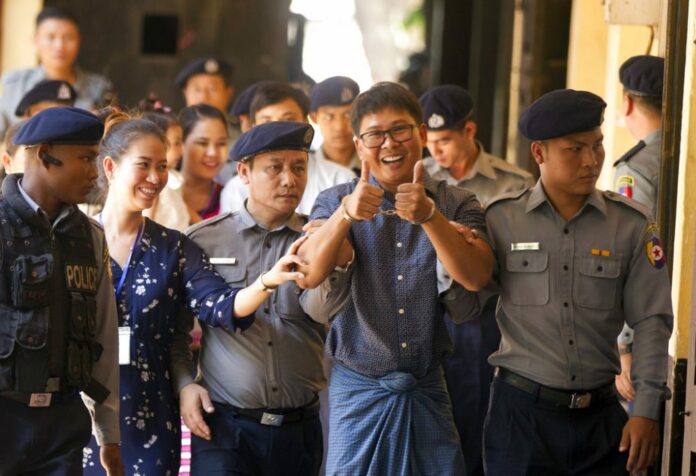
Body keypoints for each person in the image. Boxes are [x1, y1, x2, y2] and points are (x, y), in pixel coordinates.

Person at [81, 114, 309, 475]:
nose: (155, 178)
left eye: (163, 167)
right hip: (84, 409)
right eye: (144, 166)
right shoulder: (74, 240)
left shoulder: (174, 247)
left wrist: (266, 281)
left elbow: (221, 307)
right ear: (110, 167)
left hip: (151, 411)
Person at [296, 81, 494, 475]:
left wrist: (430, 217)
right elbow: (309, 274)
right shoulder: (334, 200)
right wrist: (345, 216)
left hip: (427, 384)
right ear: (358, 145)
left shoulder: (457, 202)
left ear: (421, 134)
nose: (389, 144)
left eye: (400, 130)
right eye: (375, 135)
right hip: (356, 389)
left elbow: (477, 276)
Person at [481, 89, 672, 475]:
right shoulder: (500, 220)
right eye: (575, 149)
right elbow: (466, 301)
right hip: (521, 418)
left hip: (601, 421)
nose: (592, 160)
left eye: (597, 146)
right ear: (539, 153)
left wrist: (647, 410)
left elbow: (652, 321)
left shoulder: (632, 224)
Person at [176, 121, 341, 476]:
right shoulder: (203, 241)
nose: (289, 179)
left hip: (299, 429)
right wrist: (185, 384)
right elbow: (173, 332)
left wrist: (332, 242)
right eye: (275, 167)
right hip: (225, 428)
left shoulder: (322, 241)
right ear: (244, 172)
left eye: (299, 167)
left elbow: (333, 314)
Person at [418, 83, 534, 476]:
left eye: (445, 140)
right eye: (430, 141)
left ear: (469, 131)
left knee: (477, 424)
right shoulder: (418, 182)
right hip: (423, 314)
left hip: (482, 319)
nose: (436, 151)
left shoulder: (512, 183)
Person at [0, 107, 123, 475]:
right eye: (85, 158)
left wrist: (109, 434)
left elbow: (104, 335)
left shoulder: (90, 236)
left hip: (64, 421)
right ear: (45, 154)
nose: (94, 171)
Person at [612, 55, 665, 404]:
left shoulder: (636, 169)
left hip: (649, 334)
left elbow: (634, 256)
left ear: (628, 101)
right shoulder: (679, 152)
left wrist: (624, 343)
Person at [220, 81, 355, 215]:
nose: (278, 130)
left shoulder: (340, 179)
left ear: (305, 122)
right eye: (267, 122)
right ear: (253, 127)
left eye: (288, 119)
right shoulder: (236, 189)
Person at [0, 6, 113, 139]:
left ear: (79, 41)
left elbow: (109, 139)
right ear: (36, 40)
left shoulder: (98, 87)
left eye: (68, 37)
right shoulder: (16, 84)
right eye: (51, 37)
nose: (59, 46)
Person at [140, 108, 191, 231]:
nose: (182, 150)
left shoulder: (174, 178)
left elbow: (184, 207)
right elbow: (147, 222)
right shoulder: (154, 183)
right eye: (177, 143)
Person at [180, 104, 229, 223]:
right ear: (180, 144)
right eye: (202, 143)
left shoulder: (231, 198)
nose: (213, 153)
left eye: (221, 143)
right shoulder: (158, 195)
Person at [309, 76, 361, 174]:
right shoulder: (306, 172)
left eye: (348, 115)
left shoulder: (375, 165)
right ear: (314, 117)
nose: (339, 127)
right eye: (329, 117)